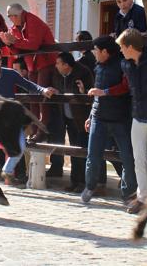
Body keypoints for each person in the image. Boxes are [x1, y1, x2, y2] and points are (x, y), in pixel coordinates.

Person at [89, 29, 147, 213]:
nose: (120, 50)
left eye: (122, 47)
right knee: (138, 158)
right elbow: (124, 87)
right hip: (137, 115)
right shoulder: (126, 65)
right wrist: (103, 92)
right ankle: (142, 197)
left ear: (130, 46)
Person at [0, 48, 55, 189]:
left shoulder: (10, 74)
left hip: (12, 120)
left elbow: (28, 84)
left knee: (20, 147)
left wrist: (42, 90)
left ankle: (7, 171)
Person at [81, 36, 137, 206]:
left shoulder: (123, 64)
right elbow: (96, 96)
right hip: (99, 117)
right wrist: (91, 115)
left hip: (121, 119)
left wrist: (104, 92)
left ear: (105, 51)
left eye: (96, 50)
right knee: (93, 155)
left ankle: (128, 193)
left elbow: (126, 87)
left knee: (127, 157)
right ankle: (90, 187)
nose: (94, 54)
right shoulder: (97, 67)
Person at [1, 3, 57, 143]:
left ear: (18, 15)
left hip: (46, 61)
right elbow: (15, 52)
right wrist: (9, 44)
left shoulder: (32, 20)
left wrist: (14, 42)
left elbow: (33, 44)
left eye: (11, 16)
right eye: (9, 17)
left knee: (42, 97)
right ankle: (33, 129)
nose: (10, 20)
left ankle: (42, 130)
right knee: (32, 97)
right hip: (31, 64)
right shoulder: (14, 28)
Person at [51, 52, 94, 192]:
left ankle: (84, 182)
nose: (56, 65)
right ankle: (75, 181)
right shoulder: (57, 74)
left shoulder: (83, 72)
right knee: (73, 151)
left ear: (66, 65)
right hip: (67, 117)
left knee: (82, 151)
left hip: (82, 119)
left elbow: (91, 94)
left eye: (58, 63)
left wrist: (83, 90)